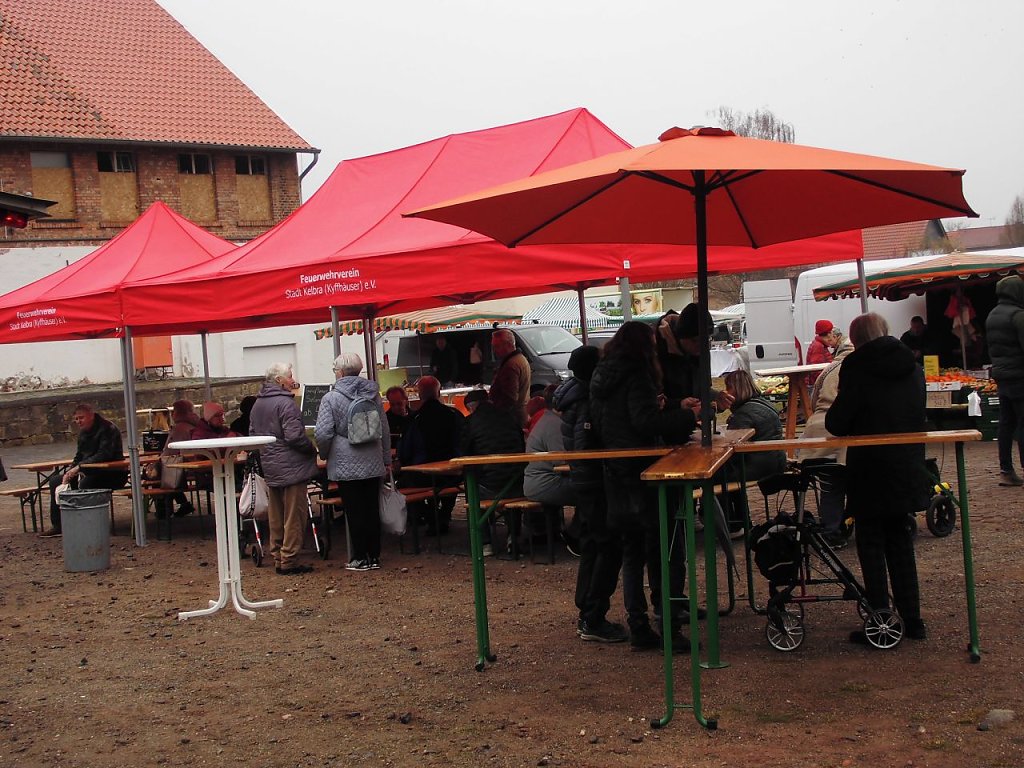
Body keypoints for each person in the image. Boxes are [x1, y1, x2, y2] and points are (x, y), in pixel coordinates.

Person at [590, 321, 698, 652]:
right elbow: (644, 422)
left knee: (632, 553)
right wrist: (687, 416)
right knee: (661, 551)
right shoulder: (637, 374)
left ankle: (638, 625)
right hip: (643, 472)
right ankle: (668, 626)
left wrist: (664, 405)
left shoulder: (603, 375)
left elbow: (616, 420)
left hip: (615, 472)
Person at [826, 312, 928, 643]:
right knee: (900, 541)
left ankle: (880, 619)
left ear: (856, 340)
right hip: (906, 463)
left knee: (870, 544)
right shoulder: (912, 365)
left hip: (870, 467)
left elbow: (838, 422)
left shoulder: (856, 367)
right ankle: (912, 619)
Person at [553, 345, 628, 643]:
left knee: (594, 546)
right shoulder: (586, 400)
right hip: (594, 481)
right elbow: (586, 447)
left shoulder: (574, 396)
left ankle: (588, 609)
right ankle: (592, 615)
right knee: (606, 546)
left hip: (584, 480)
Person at [315, 353, 392, 571]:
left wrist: (324, 453)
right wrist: (386, 457)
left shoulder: (331, 398)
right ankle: (374, 556)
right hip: (373, 457)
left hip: (345, 460)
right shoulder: (372, 394)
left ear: (339, 372)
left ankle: (359, 557)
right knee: (371, 509)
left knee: (354, 510)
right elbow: (384, 428)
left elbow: (323, 433)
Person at [250, 362, 319, 576]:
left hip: (271, 464)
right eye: (289, 376)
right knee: (294, 515)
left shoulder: (258, 404)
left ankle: (278, 555)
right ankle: (289, 558)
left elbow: (253, 435)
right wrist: (312, 449)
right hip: (292, 465)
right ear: (279, 380)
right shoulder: (286, 404)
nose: (292, 379)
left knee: (277, 514)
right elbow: (295, 436)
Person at [798, 336, 855, 544]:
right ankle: (847, 523)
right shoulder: (858, 368)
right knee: (853, 480)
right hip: (843, 430)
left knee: (830, 484)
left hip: (818, 431)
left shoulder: (828, 369)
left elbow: (813, 402)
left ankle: (831, 531)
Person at [43, 403, 128, 537]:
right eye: (76, 419)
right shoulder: (83, 433)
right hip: (88, 472)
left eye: (81, 418)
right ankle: (58, 525)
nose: (78, 422)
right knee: (56, 481)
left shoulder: (108, 428)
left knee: (85, 484)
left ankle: (87, 523)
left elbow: (104, 455)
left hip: (112, 474)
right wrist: (71, 471)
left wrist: (80, 467)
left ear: (91, 416)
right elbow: (79, 455)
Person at [460, 387, 525, 557]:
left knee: (472, 486)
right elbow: (521, 445)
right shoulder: (510, 417)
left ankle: (485, 543)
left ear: (471, 407)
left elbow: (463, 453)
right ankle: (513, 536)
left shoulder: (470, 423)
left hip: (489, 486)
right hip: (518, 483)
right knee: (509, 479)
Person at [397, 376, 463, 535]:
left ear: (419, 395)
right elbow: (463, 443)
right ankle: (444, 515)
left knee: (401, 486)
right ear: (439, 393)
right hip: (452, 474)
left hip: (421, 476)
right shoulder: (454, 415)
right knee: (451, 483)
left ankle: (432, 517)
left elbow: (404, 452)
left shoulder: (414, 420)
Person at [523, 385, 576, 551]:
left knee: (588, 488)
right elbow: (562, 462)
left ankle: (576, 534)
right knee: (590, 489)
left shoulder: (547, 420)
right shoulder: (555, 425)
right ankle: (576, 536)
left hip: (537, 482)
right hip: (545, 484)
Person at [985, 275, 1024, 486]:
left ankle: (1006, 469)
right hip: (1020, 375)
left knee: (1006, 423)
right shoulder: (1018, 315)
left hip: (1002, 377)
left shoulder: (992, 315)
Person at [155, 399, 200, 519]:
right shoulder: (195, 425)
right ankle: (183, 504)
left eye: (174, 411)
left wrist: (158, 461)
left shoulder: (179, 429)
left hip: (184, 466)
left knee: (158, 475)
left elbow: (169, 452)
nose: (172, 414)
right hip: (192, 463)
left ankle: (164, 510)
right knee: (169, 473)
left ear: (179, 412)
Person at [489, 328, 531, 428]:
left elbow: (510, 398)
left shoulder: (511, 365)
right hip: (521, 413)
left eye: (497, 346)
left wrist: (494, 411)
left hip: (513, 418)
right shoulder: (520, 359)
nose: (494, 350)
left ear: (508, 345)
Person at [806, 319, 837, 385]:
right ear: (828, 334)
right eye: (831, 332)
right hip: (817, 385)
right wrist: (825, 381)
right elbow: (816, 368)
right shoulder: (818, 346)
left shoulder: (820, 344)